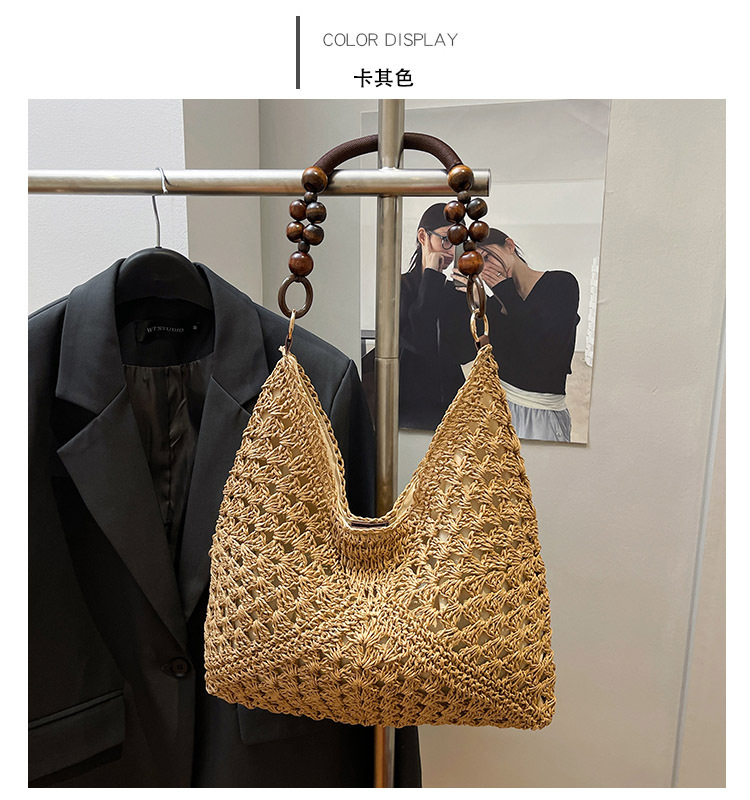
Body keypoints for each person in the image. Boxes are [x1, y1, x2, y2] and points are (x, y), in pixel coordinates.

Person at [462, 228, 580, 442]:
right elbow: (477, 353)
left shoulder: (561, 283)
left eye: (488, 257)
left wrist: (505, 292)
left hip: (541, 411)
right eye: (480, 264)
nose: (487, 268)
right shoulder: (495, 304)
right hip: (498, 407)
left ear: (509, 245)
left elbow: (546, 350)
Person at [396, 203, 477, 430]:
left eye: (457, 243)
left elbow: (464, 353)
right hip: (409, 407)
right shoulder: (400, 286)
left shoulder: (452, 290)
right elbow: (416, 341)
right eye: (446, 240)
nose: (451, 251)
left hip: (453, 407)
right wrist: (431, 275)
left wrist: (467, 298)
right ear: (423, 236)